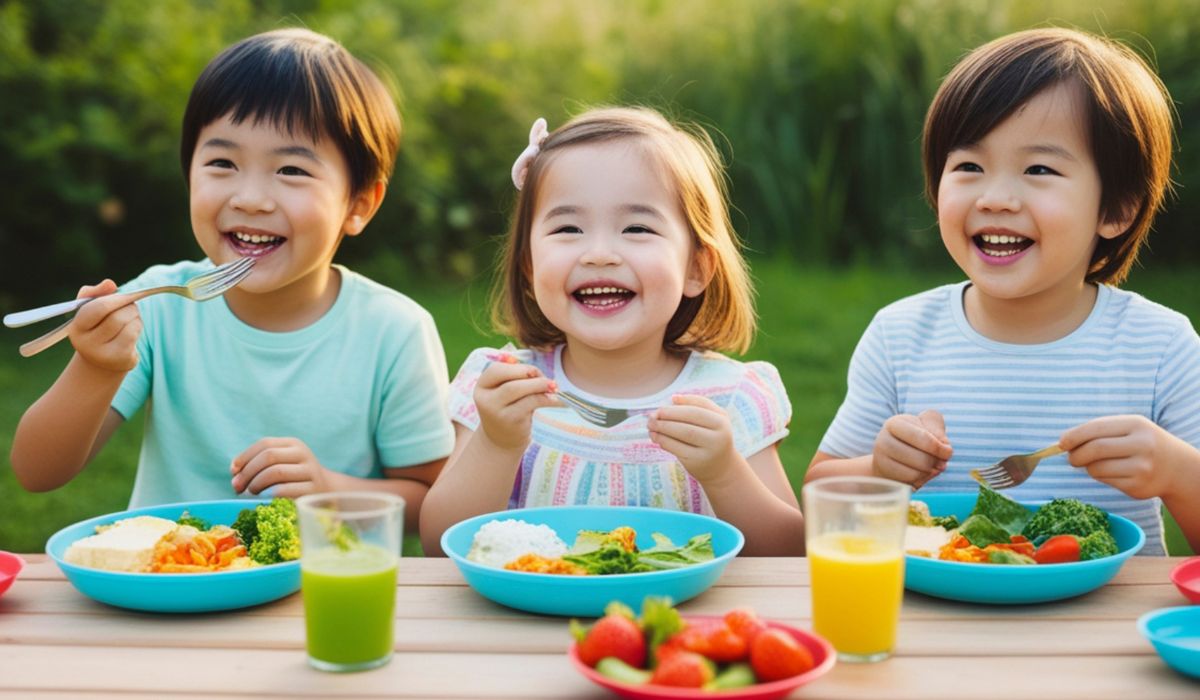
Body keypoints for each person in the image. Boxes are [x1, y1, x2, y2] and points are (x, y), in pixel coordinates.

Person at [10, 28, 454, 532]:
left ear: (359, 205)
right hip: (172, 585)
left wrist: (330, 490)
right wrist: (95, 367)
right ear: (190, 175)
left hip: (316, 596)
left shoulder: (393, 331)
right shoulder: (159, 306)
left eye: (290, 170)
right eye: (222, 163)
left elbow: (429, 502)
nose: (250, 198)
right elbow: (36, 471)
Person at [806, 28, 1200, 555]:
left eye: (1039, 169)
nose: (995, 198)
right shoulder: (901, 335)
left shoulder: (1159, 346)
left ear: (1116, 210)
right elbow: (818, 500)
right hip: (939, 620)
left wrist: (1177, 472)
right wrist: (881, 471)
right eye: (969, 166)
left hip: (1103, 629)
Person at [420, 107, 803, 556]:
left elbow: (788, 555)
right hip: (531, 619)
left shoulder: (731, 398)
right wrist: (496, 444)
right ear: (529, 265)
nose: (599, 254)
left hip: (682, 622)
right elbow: (438, 545)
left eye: (636, 228)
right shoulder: (501, 389)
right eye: (568, 228)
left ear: (696, 267)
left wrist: (724, 473)